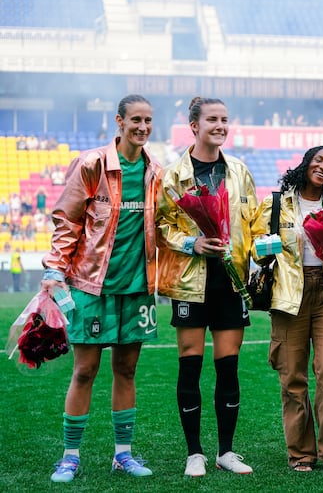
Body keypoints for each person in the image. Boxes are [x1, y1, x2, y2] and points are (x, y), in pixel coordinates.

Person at [41, 94, 160, 482]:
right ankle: (70, 456)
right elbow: (67, 221)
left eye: (148, 120)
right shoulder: (92, 164)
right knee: (84, 371)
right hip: (90, 285)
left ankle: (122, 455)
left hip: (137, 288)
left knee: (126, 370)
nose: (142, 127)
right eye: (136, 120)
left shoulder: (155, 172)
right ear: (119, 121)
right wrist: (55, 270)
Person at [156, 96, 258, 477]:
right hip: (189, 282)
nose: (220, 126)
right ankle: (194, 453)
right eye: (212, 119)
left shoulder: (240, 171)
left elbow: (254, 221)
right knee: (190, 366)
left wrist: (262, 252)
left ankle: (226, 452)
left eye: (224, 119)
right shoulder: (173, 175)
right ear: (194, 126)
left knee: (228, 367)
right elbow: (160, 227)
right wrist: (191, 243)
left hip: (231, 281)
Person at [252, 146, 323, 473]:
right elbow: (255, 250)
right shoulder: (276, 203)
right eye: (319, 160)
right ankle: (301, 454)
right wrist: (264, 248)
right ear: (306, 163)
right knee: (293, 378)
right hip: (288, 297)